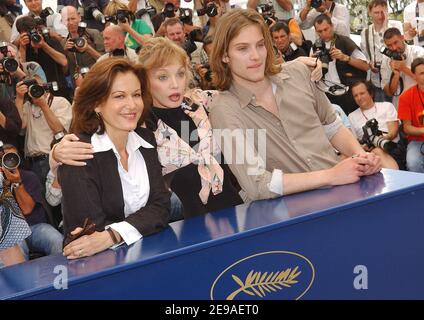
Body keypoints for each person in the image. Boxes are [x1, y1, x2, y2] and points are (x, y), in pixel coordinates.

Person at [208, 9, 381, 202]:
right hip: (287, 216)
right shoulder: (223, 109)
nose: (255, 56)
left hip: (342, 196)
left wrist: (362, 158)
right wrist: (331, 176)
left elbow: (332, 126)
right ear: (224, 55)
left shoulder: (299, 72)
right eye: (242, 49)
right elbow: (256, 184)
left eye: (260, 45)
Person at [58, 58, 170, 259]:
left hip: (150, 253)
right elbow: (88, 235)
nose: (132, 104)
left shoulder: (146, 139)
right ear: (96, 104)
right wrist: (137, 226)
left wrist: (113, 234)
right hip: (101, 269)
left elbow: (161, 207)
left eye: (136, 95)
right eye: (119, 96)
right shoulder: (78, 153)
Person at [313, 13, 369, 115]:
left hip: (348, 93)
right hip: (328, 95)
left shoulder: (344, 41)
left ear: (332, 26)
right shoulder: (315, 47)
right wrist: (313, 63)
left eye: (326, 29)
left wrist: (345, 57)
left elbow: (365, 66)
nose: (324, 33)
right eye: (320, 31)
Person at [349, 80, 404, 170]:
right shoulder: (352, 116)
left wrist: (381, 139)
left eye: (362, 93)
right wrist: (364, 146)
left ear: (371, 93)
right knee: (373, 153)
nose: (359, 98)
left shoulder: (387, 106)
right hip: (367, 153)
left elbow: (393, 133)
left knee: (377, 151)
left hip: (390, 147)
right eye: (356, 95)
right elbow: (354, 141)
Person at [360, 0, 403, 102]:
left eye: (382, 12)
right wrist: (370, 65)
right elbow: (364, 56)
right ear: (370, 13)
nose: (380, 16)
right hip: (375, 79)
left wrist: (385, 26)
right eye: (376, 12)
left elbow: (400, 47)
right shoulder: (365, 32)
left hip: (395, 77)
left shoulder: (395, 25)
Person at [380, 27, 424, 108]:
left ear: (402, 38)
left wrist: (404, 68)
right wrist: (396, 75)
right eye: (389, 45)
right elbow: (388, 92)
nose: (394, 48)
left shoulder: (418, 52)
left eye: (396, 42)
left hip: (420, 104)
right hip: (400, 106)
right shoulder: (386, 60)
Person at [398, 57, 424, 173]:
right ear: (414, 76)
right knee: (413, 163)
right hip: (417, 140)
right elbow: (407, 128)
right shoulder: (405, 97)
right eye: (422, 73)